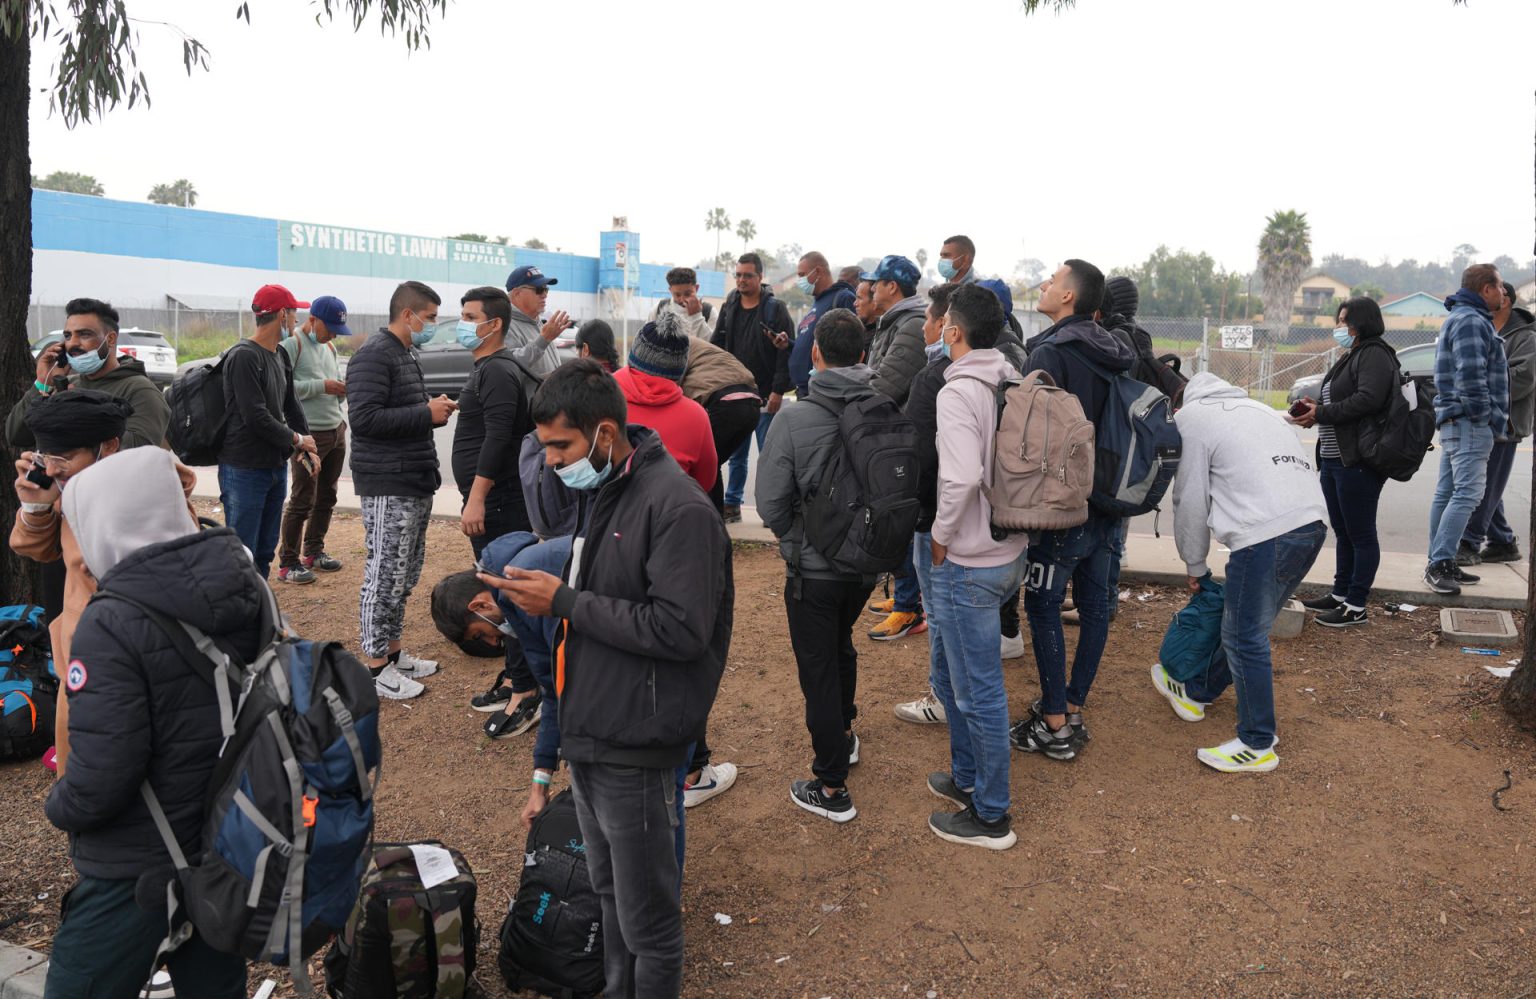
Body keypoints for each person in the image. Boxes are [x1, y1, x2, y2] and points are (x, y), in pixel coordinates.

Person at [481, 360, 732, 999]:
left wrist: (564, 602)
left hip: (637, 741)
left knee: (648, 922)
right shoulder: (608, 491)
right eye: (545, 448)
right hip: (593, 731)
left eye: (562, 446)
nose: (554, 461)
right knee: (610, 897)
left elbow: (681, 629)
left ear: (603, 432)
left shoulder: (678, 508)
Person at [43, 446, 248, 998]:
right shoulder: (241, 581)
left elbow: (103, 774)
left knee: (77, 985)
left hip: (139, 861)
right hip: (226, 842)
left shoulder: (112, 622)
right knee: (214, 983)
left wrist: (60, 806)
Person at [11, 391, 195, 778]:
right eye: (47, 459)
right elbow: (37, 549)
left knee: (118, 771)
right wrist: (36, 505)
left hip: (128, 657)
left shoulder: (149, 496)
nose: (55, 471)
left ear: (109, 445)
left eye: (65, 460)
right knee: (80, 763)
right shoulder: (70, 486)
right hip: (78, 653)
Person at [1155, 372, 1327, 773]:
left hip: (1263, 533)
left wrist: (1194, 564)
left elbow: (1190, 500)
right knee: (1247, 626)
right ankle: (1197, 691)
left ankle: (1257, 741)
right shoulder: (1258, 410)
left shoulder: (1191, 419)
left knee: (1242, 635)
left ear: (1179, 402)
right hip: (1311, 525)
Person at [1011, 260, 1134, 761]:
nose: (1044, 285)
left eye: (1053, 281)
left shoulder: (1051, 352)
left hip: (1063, 503)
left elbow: (1026, 434)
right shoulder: (1117, 348)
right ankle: (1075, 704)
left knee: (1042, 605)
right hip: (1109, 499)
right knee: (1096, 605)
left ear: (1068, 298)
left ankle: (1055, 721)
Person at [757, 308, 877, 823]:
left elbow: (768, 502)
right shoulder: (885, 407)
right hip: (867, 565)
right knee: (840, 643)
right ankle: (844, 735)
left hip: (813, 571)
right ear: (866, 356)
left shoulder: (794, 418)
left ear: (816, 356)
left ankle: (831, 787)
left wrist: (793, 539)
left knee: (819, 667)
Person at [922, 284, 1028, 849]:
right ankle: (967, 780)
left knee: (978, 692)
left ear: (954, 331)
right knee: (958, 681)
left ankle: (991, 816)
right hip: (1009, 549)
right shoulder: (1008, 375)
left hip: (969, 559)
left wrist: (940, 536)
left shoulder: (958, 390)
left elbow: (960, 476)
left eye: (943, 324)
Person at [346, 279, 457, 700]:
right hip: (387, 482)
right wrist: (423, 412)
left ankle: (393, 654)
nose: (431, 326)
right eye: (428, 318)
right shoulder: (374, 355)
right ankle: (375, 667)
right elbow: (366, 419)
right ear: (407, 314)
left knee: (404, 574)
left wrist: (431, 411)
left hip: (412, 477)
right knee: (384, 575)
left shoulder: (404, 353)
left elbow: (402, 411)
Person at [1290, 297, 1397, 626]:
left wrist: (1320, 412)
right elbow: (1340, 400)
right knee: (1345, 531)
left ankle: (1356, 604)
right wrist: (1314, 409)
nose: (1338, 327)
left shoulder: (1376, 354)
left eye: (1343, 321)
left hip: (1358, 461)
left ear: (1360, 323)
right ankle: (1340, 593)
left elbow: (1368, 399)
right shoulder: (1354, 354)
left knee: (1361, 534)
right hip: (1336, 458)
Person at [217, 284, 315, 580]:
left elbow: (292, 406)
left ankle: (258, 611)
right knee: (242, 550)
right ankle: (238, 613)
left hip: (273, 466)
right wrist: (296, 439)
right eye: (294, 313)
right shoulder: (244, 356)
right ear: (282, 314)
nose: (296, 321)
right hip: (244, 468)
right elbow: (255, 415)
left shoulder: (279, 355)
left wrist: (307, 447)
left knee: (264, 549)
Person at [893, 281, 957, 726]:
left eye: (930, 321)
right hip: (976, 517)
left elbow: (917, 454)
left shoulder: (933, 379)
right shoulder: (1000, 371)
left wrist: (922, 517)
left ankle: (941, 695)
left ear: (946, 326)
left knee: (937, 611)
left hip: (935, 516)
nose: (923, 329)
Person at [1424, 264, 1509, 595]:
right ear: (1486, 289)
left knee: (1447, 493)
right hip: (1469, 422)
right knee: (1468, 494)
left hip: (1457, 421)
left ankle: (1439, 560)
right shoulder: (1472, 321)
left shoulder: (1461, 318)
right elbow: (1471, 376)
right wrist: (1483, 416)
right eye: (1500, 287)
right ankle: (1440, 563)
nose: (1504, 293)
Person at [7, 297, 171, 452]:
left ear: (111, 339)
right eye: (68, 336)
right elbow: (17, 436)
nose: (73, 343)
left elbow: (136, 451)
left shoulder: (140, 390)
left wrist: (76, 411)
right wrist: (43, 383)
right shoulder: (65, 385)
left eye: (84, 334)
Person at [710, 252, 795, 524]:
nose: (741, 280)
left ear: (760, 277)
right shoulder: (730, 306)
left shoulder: (775, 309)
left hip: (766, 395)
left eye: (748, 275)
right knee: (736, 457)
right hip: (735, 394)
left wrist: (778, 391)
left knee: (770, 459)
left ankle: (770, 510)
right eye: (738, 275)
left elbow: (785, 353)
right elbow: (717, 346)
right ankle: (732, 504)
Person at [452, 286, 533, 559]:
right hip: (493, 497)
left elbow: (498, 437)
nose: (463, 324)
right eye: (462, 316)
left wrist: (477, 499)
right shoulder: (488, 366)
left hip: (498, 500)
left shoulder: (497, 369)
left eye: (471, 318)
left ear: (495, 324)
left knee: (503, 581)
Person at [276, 294, 351, 584]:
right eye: (329, 327)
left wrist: (342, 389)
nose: (333, 334)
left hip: (336, 429)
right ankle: (288, 562)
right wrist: (323, 386)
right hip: (309, 435)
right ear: (313, 320)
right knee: (302, 497)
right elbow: (283, 388)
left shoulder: (329, 347)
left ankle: (313, 550)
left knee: (327, 495)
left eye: (337, 330)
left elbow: (332, 383)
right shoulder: (291, 346)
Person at [1461, 281, 1535, 565]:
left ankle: (1469, 542)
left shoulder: (1525, 337)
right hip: (1482, 418)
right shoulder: (1485, 330)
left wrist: (1482, 388)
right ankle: (1503, 541)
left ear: (1503, 301)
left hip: (1507, 423)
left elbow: (1525, 380)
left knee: (1486, 484)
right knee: (1487, 483)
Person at [613, 317, 718, 495]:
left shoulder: (600, 396)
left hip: (605, 512)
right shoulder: (696, 416)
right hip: (669, 513)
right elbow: (705, 482)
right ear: (680, 367)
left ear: (634, 354)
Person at [680, 337, 761, 514]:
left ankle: (710, 518)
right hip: (753, 402)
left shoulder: (677, 348)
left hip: (725, 403)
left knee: (701, 462)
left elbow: (672, 388)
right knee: (711, 462)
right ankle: (716, 516)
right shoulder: (704, 349)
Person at [787, 251, 857, 397]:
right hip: (804, 389)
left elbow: (849, 347)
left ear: (818, 271)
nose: (799, 280)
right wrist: (788, 344)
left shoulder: (842, 298)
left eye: (802, 275)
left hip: (824, 391)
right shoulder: (817, 303)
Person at [864, 255, 928, 407]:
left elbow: (885, 387)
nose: (872, 289)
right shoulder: (894, 321)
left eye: (877, 283)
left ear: (892, 287)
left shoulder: (913, 326)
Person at [505, 265, 575, 377]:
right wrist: (543, 340)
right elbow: (509, 367)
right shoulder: (505, 325)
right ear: (517, 293)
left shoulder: (538, 322)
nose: (544, 295)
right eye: (539, 290)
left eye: (546, 289)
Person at [653, 267, 714, 338]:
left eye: (688, 294)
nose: (682, 299)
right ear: (670, 290)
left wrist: (697, 317)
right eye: (677, 295)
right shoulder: (658, 309)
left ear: (696, 288)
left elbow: (713, 346)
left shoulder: (709, 312)